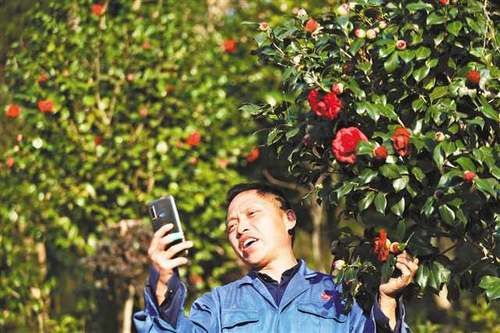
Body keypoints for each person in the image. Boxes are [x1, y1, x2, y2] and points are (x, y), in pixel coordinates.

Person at [134, 183, 419, 332]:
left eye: (252, 214)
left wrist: (388, 302)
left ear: (289, 219)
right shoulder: (218, 306)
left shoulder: (338, 294)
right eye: (231, 226)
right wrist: (163, 283)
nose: (241, 228)